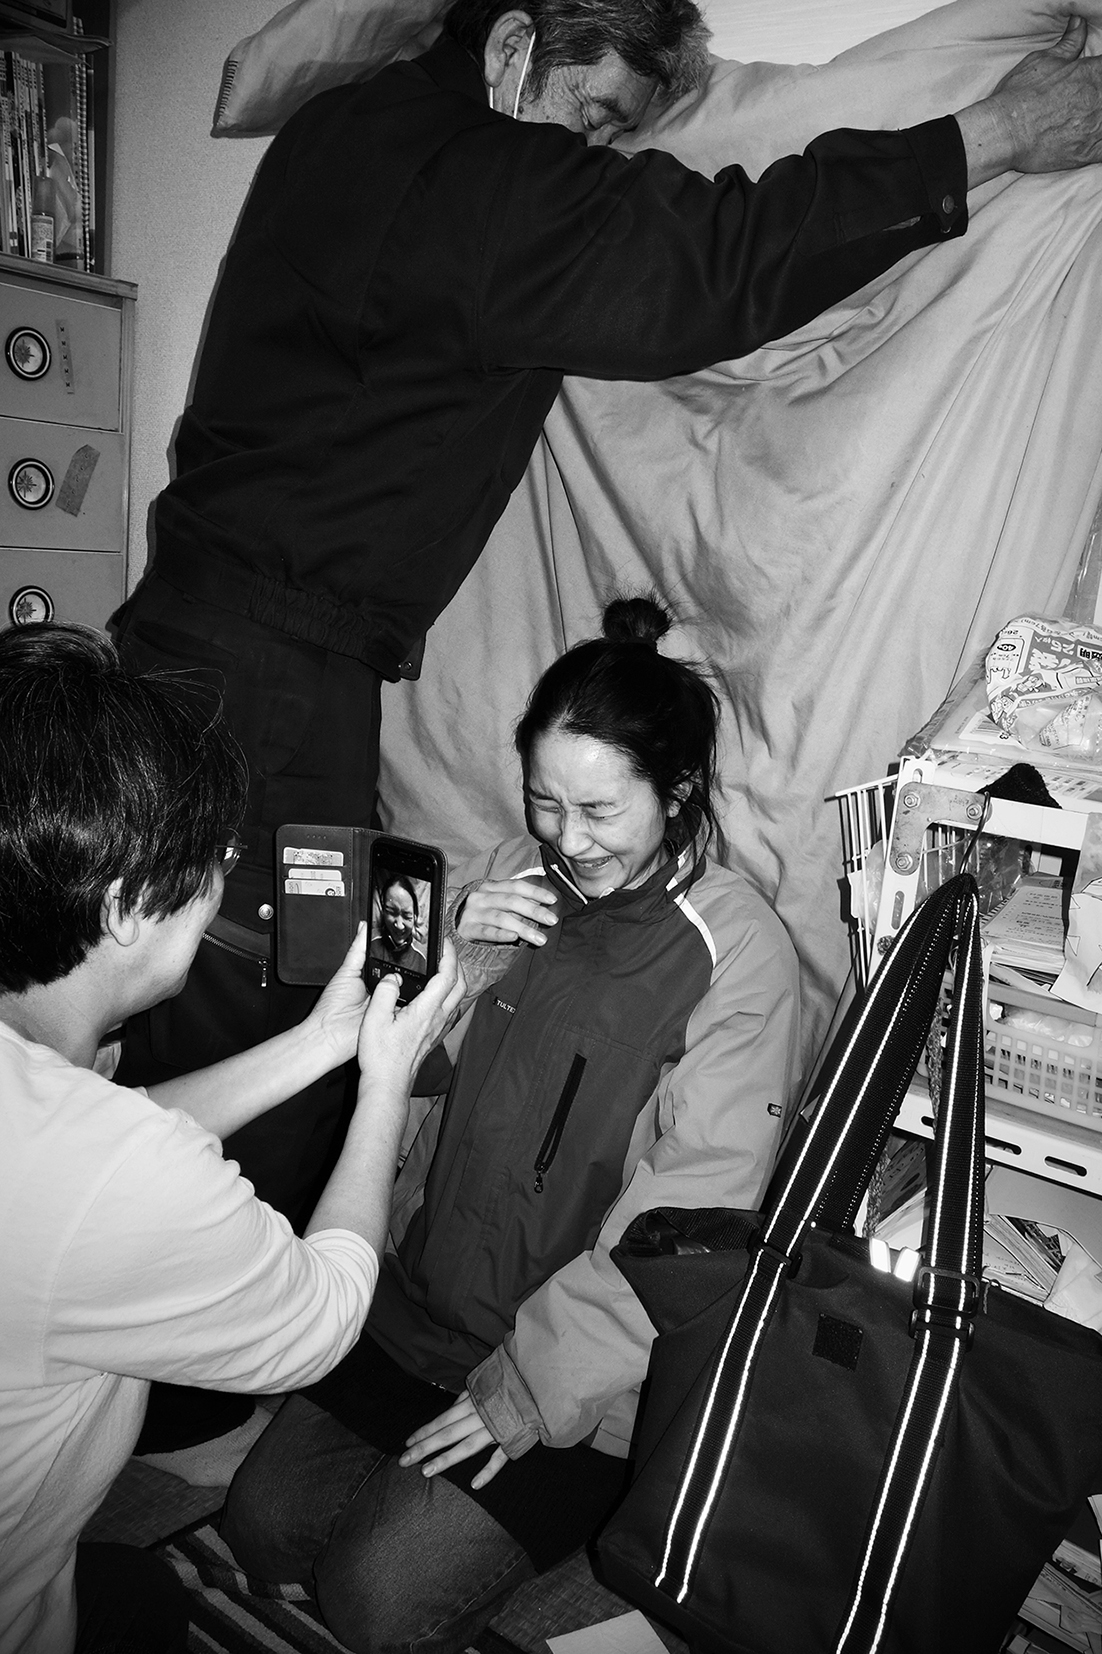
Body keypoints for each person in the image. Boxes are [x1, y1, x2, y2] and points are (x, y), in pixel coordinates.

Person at [109, 0, 1102, 1385]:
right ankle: (186, 1365)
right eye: (588, 117)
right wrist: (988, 136)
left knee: (233, 999)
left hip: (233, 661)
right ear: (516, 46)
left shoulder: (358, 128)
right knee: (264, 1009)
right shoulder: (467, 169)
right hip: (262, 697)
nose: (590, 153)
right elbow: (710, 254)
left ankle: (168, 1344)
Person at [221, 593, 802, 1653]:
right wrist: (455, 954)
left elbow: (688, 1227)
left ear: (675, 795)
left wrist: (530, 1395)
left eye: (599, 812)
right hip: (419, 1312)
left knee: (374, 1596)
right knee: (261, 1530)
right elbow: (396, 1080)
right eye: (544, 802)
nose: (564, 840)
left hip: (572, 1368)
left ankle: (567, 1539)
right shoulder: (503, 877)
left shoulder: (739, 954)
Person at [0, 622, 463, 1654]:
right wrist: (384, 1083)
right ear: (127, 909)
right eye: (211, 860)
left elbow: (103, 1145)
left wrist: (325, 1043)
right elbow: (322, 1316)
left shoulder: (51, 1107)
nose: (221, 879)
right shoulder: (109, 1169)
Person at [370, 875, 429, 974]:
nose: (399, 925)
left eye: (407, 916)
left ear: (415, 917)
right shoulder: (370, 943)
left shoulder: (422, 958)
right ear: (383, 911)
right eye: (391, 912)